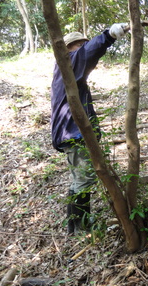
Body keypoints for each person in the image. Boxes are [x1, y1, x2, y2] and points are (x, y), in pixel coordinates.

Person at [50, 24, 128, 235]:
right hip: (72, 133)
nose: (83, 49)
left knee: (79, 179)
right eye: (79, 45)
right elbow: (90, 51)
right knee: (85, 179)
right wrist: (110, 35)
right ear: (68, 48)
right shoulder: (69, 62)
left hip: (70, 132)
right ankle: (81, 226)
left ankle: (74, 225)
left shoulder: (67, 73)